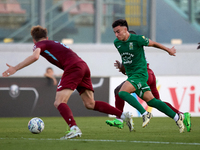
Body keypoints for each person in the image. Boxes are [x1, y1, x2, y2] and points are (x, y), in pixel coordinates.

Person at [2, 25, 134, 139]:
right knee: (90, 103)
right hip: (83, 65)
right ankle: (123, 115)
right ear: (47, 37)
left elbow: (35, 56)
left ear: (34, 40)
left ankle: (74, 128)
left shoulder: (39, 44)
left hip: (73, 68)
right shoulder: (53, 43)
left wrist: (15, 68)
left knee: (59, 102)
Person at [106, 31, 191, 132]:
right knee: (155, 102)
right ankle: (180, 115)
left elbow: (130, 69)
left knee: (120, 91)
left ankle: (121, 118)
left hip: (142, 76)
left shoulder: (131, 45)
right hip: (150, 75)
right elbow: (128, 69)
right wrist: (122, 67)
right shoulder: (132, 49)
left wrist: (122, 68)